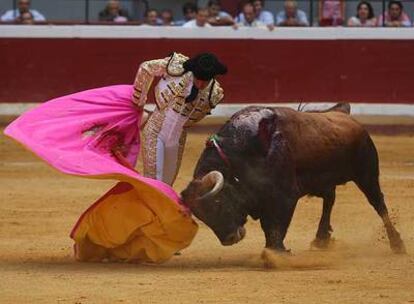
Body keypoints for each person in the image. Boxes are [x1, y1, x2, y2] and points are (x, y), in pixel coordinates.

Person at [4, 52, 227, 263]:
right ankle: (154, 236)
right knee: (156, 185)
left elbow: (191, 118)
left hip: (177, 139)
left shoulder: (214, 93)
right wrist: (138, 102)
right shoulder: (177, 67)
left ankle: (157, 233)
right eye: (198, 78)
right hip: (155, 132)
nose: (200, 83)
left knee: (165, 186)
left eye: (205, 80)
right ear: (193, 72)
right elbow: (146, 68)